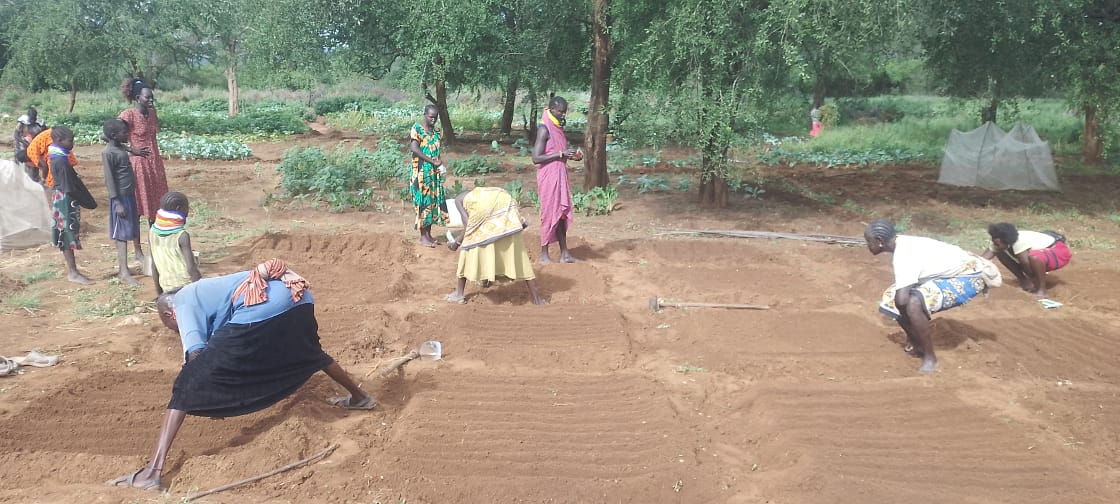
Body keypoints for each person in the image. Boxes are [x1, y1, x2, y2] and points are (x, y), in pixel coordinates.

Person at [106, 259, 377, 491]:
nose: (174, 331)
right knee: (310, 352)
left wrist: (208, 389)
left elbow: (196, 357)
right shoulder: (209, 291)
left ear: (169, 314)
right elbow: (228, 347)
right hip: (300, 297)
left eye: (170, 326)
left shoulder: (183, 302)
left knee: (186, 384)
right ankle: (360, 397)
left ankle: (153, 472)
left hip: (265, 305)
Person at [864, 219, 1001, 374]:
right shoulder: (901, 243)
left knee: (913, 303)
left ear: (879, 241)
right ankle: (917, 342)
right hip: (947, 274)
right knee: (891, 299)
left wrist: (911, 319)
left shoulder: (904, 254)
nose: (867, 245)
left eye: (868, 241)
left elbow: (902, 300)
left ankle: (930, 357)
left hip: (971, 276)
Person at [444, 187, 546, 305]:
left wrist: (456, 242)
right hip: (507, 208)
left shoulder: (459, 200)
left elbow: (468, 226)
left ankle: (459, 294)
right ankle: (537, 299)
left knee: (468, 248)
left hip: (491, 209)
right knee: (521, 261)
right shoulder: (482, 192)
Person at [531, 96, 581, 264]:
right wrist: (560, 154)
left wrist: (570, 156)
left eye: (564, 112)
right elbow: (536, 158)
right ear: (551, 108)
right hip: (548, 176)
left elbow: (558, 149)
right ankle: (544, 254)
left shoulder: (556, 126)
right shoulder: (544, 128)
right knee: (549, 213)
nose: (563, 115)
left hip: (559, 173)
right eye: (560, 111)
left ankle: (565, 253)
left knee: (560, 214)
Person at [47, 127, 97, 285]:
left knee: (65, 234)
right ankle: (73, 272)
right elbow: (70, 187)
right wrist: (86, 200)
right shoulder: (60, 161)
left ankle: (73, 271)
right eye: (71, 140)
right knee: (67, 235)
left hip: (61, 197)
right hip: (66, 201)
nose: (73, 143)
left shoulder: (57, 157)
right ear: (60, 140)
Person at [102, 119, 145, 285]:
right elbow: (109, 179)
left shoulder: (119, 147)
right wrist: (117, 202)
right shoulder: (108, 153)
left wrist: (133, 150)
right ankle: (123, 271)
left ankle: (124, 269)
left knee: (130, 229)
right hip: (120, 198)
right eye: (124, 133)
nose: (127, 134)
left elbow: (121, 146)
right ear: (114, 135)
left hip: (129, 195)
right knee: (122, 235)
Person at [119, 78, 166, 225]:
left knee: (157, 204)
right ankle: (137, 247)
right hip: (138, 165)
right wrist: (131, 149)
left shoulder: (152, 113)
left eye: (152, 97)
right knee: (138, 205)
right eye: (147, 97)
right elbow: (108, 136)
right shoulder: (128, 115)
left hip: (155, 164)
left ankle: (155, 242)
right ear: (138, 98)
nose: (151, 100)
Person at [981, 222, 1071, 299]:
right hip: (1041, 257)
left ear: (1006, 241)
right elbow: (982, 259)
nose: (995, 245)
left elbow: (1025, 263)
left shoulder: (1019, 241)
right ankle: (1024, 281)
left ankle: (1042, 289)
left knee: (1034, 258)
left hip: (1058, 252)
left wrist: (1033, 280)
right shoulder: (999, 241)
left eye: (997, 243)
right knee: (1000, 253)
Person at [409, 104, 448, 247]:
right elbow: (414, 148)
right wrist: (432, 161)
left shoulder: (437, 132)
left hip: (434, 174)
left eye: (436, 117)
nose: (433, 120)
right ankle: (423, 237)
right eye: (431, 117)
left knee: (432, 203)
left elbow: (436, 151)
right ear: (425, 115)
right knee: (423, 203)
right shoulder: (417, 129)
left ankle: (429, 235)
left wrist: (439, 162)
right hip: (421, 173)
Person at [150, 191, 201, 296]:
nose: (188, 211)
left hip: (167, 288)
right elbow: (191, 269)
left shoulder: (152, 231)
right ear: (179, 209)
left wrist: (160, 295)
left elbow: (154, 266)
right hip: (186, 287)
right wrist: (201, 290)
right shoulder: (181, 235)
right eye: (187, 208)